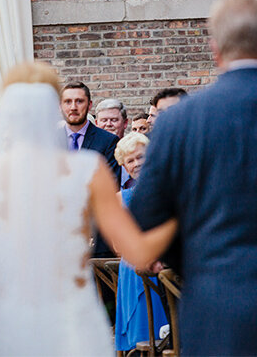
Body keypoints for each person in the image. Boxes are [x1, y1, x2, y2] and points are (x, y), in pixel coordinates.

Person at [129, 0, 257, 355]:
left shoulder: (176, 123)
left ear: (216, 49)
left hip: (216, 303)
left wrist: (199, 264)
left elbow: (146, 216)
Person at [0, 61, 176, 356]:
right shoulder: (86, 169)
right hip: (75, 321)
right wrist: (178, 217)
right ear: (53, 106)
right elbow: (137, 251)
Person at [113, 132, 169, 352]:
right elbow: (118, 246)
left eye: (141, 157)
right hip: (137, 269)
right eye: (130, 160)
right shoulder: (121, 198)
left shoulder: (167, 190)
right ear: (124, 167)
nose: (136, 164)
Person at [61, 81, 122, 258]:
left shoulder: (107, 141)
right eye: (68, 102)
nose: (73, 107)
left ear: (89, 104)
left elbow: (109, 188)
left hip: (96, 240)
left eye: (79, 101)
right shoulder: (50, 142)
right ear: (60, 105)